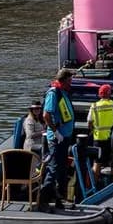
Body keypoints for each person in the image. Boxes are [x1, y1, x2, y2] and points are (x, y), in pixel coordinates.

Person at [40, 68, 76, 211]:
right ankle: (42, 200)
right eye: (69, 80)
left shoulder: (63, 92)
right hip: (57, 139)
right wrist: (56, 133)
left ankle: (60, 200)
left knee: (62, 169)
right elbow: (46, 115)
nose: (71, 82)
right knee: (53, 168)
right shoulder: (54, 93)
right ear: (63, 80)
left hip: (65, 137)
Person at [87, 84, 113, 183]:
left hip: (98, 138)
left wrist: (93, 131)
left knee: (97, 162)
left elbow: (89, 122)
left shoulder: (94, 106)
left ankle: (95, 184)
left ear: (99, 94)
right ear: (110, 93)